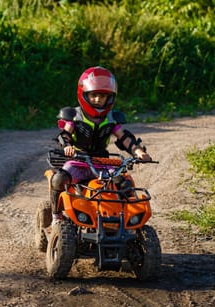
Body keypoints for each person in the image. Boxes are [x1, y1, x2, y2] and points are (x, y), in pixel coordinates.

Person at [50, 66, 152, 227]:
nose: (98, 100)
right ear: (84, 94)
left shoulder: (112, 119)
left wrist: (138, 151)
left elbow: (124, 138)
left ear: (110, 98)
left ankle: (128, 223)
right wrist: (67, 146)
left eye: (103, 96)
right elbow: (64, 135)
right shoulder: (74, 116)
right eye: (94, 95)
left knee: (124, 184)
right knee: (59, 178)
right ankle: (56, 215)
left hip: (102, 163)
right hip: (78, 161)